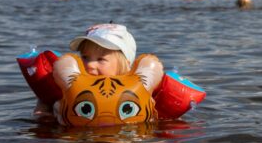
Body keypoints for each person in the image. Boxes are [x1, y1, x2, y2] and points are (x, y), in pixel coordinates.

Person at [33, 23, 164, 119]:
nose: (89, 65)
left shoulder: (140, 92)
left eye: (101, 59)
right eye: (85, 57)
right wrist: (44, 106)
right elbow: (43, 114)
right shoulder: (69, 88)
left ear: (125, 65)